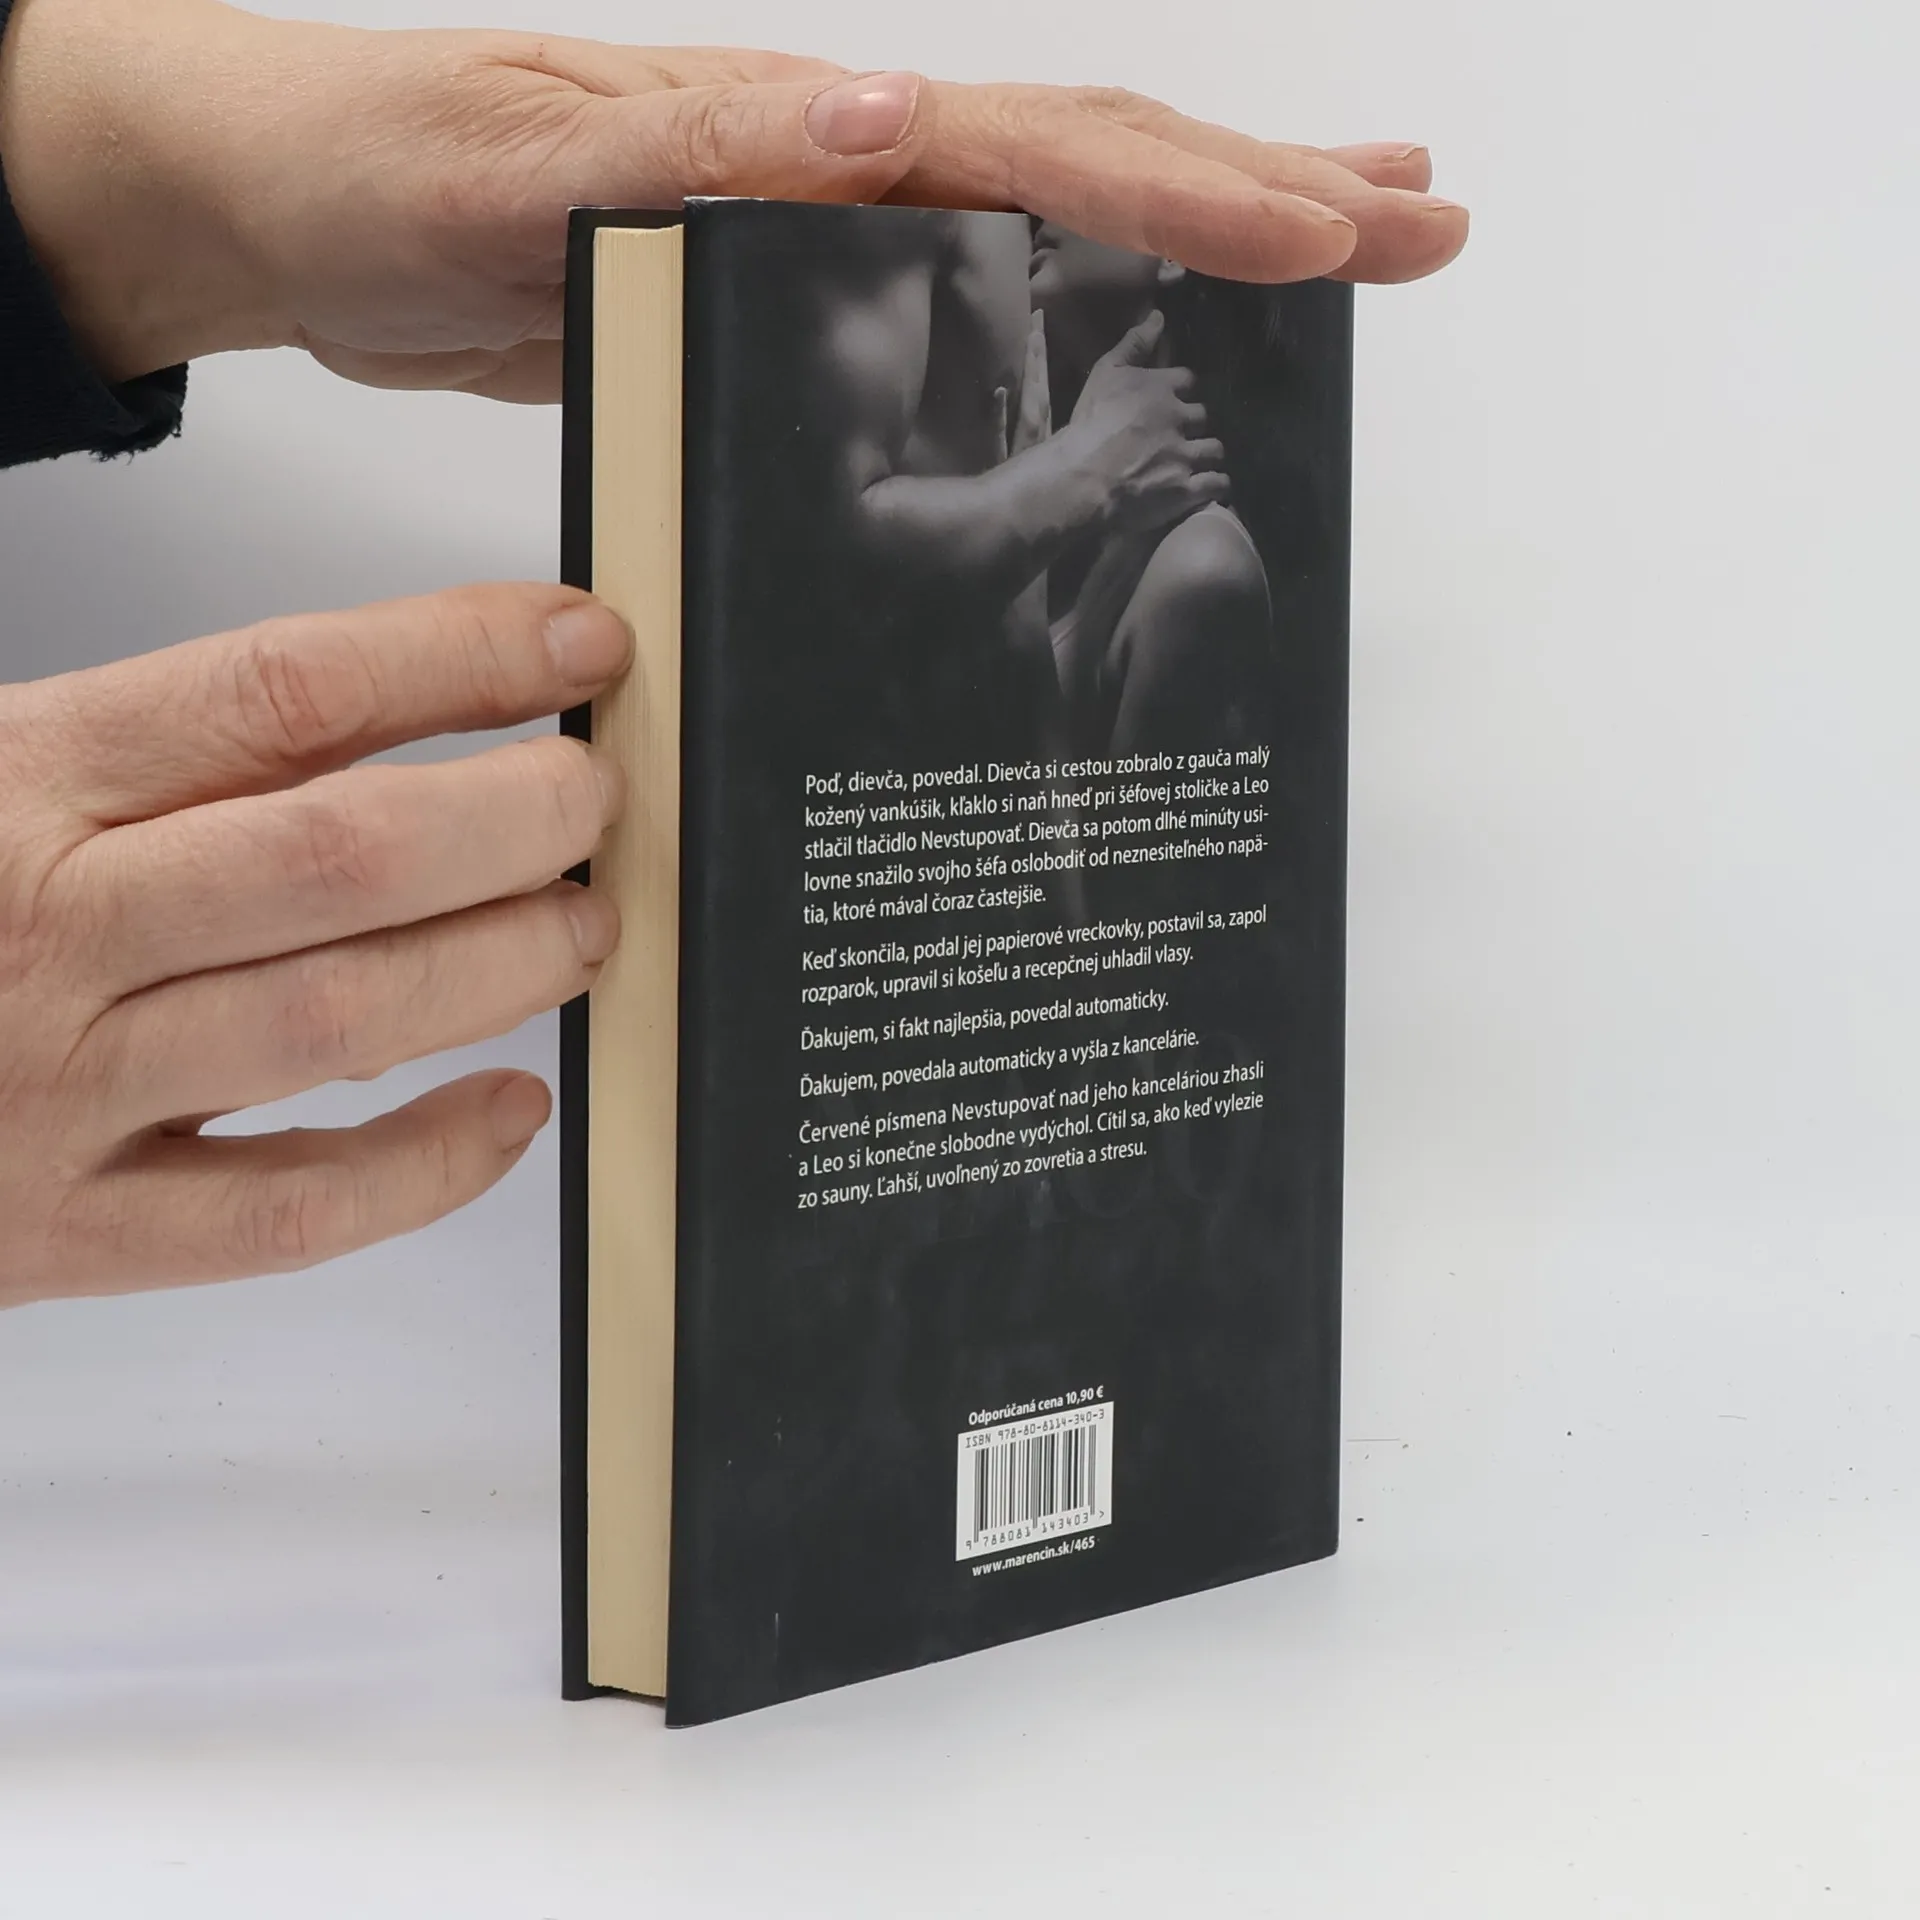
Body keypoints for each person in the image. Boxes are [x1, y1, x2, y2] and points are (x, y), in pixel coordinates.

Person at [0, 0, 1468, 1309]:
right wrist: (1083, 479)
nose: (1142, 280)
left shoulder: (1121, 477)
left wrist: (170, 194)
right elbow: (813, 554)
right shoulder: (961, 316)